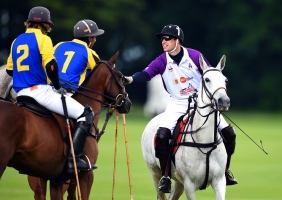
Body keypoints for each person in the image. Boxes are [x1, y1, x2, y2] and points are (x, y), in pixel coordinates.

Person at [123, 24, 238, 193]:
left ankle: (225, 170)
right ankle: (166, 176)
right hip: (177, 104)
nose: (163, 42)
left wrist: (215, 97)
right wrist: (130, 79)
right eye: (162, 39)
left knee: (229, 133)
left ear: (177, 41)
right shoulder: (162, 60)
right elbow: (146, 74)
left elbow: (210, 75)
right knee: (162, 135)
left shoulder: (194, 56)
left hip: (201, 104)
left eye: (167, 38)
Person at [6, 6, 95, 173]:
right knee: (85, 113)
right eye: (48, 25)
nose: (48, 28)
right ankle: (73, 161)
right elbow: (51, 66)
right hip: (40, 92)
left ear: (29, 23)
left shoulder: (16, 40)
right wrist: (56, 86)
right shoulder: (43, 39)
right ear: (45, 25)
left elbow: (11, 70)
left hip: (20, 94)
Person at [54, 19, 104, 92]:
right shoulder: (89, 52)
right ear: (89, 38)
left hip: (51, 90)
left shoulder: (59, 45)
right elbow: (102, 76)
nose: (95, 40)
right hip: (71, 94)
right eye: (94, 37)